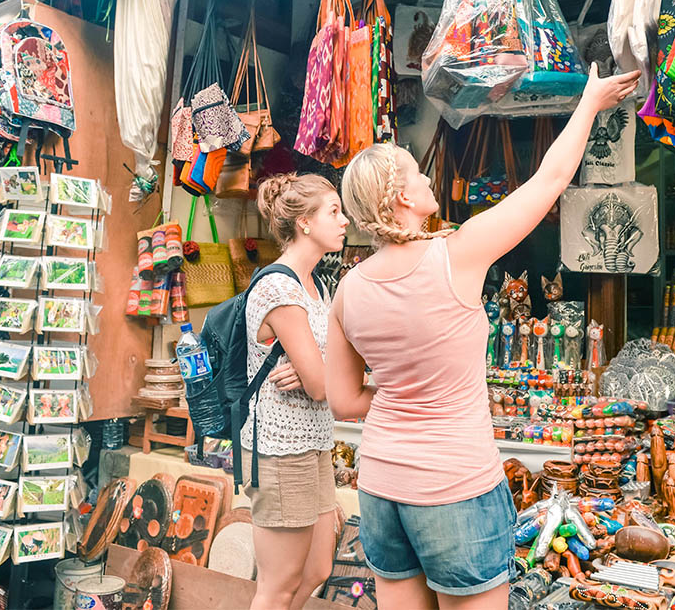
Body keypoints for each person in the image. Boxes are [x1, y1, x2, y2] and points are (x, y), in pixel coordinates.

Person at [326, 63, 639, 609]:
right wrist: (588, 103)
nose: (428, 178)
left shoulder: (348, 290)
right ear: (401, 197)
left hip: (380, 487)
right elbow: (549, 181)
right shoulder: (456, 254)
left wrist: (404, 394)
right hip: (455, 486)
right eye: (416, 174)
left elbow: (346, 400)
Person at [243, 173, 349, 610]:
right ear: (304, 222)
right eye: (333, 211)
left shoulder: (316, 286)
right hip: (279, 449)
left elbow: (324, 374)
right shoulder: (280, 289)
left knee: (318, 568)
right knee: (277, 585)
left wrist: (318, 371)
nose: (344, 221)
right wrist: (320, 374)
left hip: (313, 444)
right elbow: (324, 385)